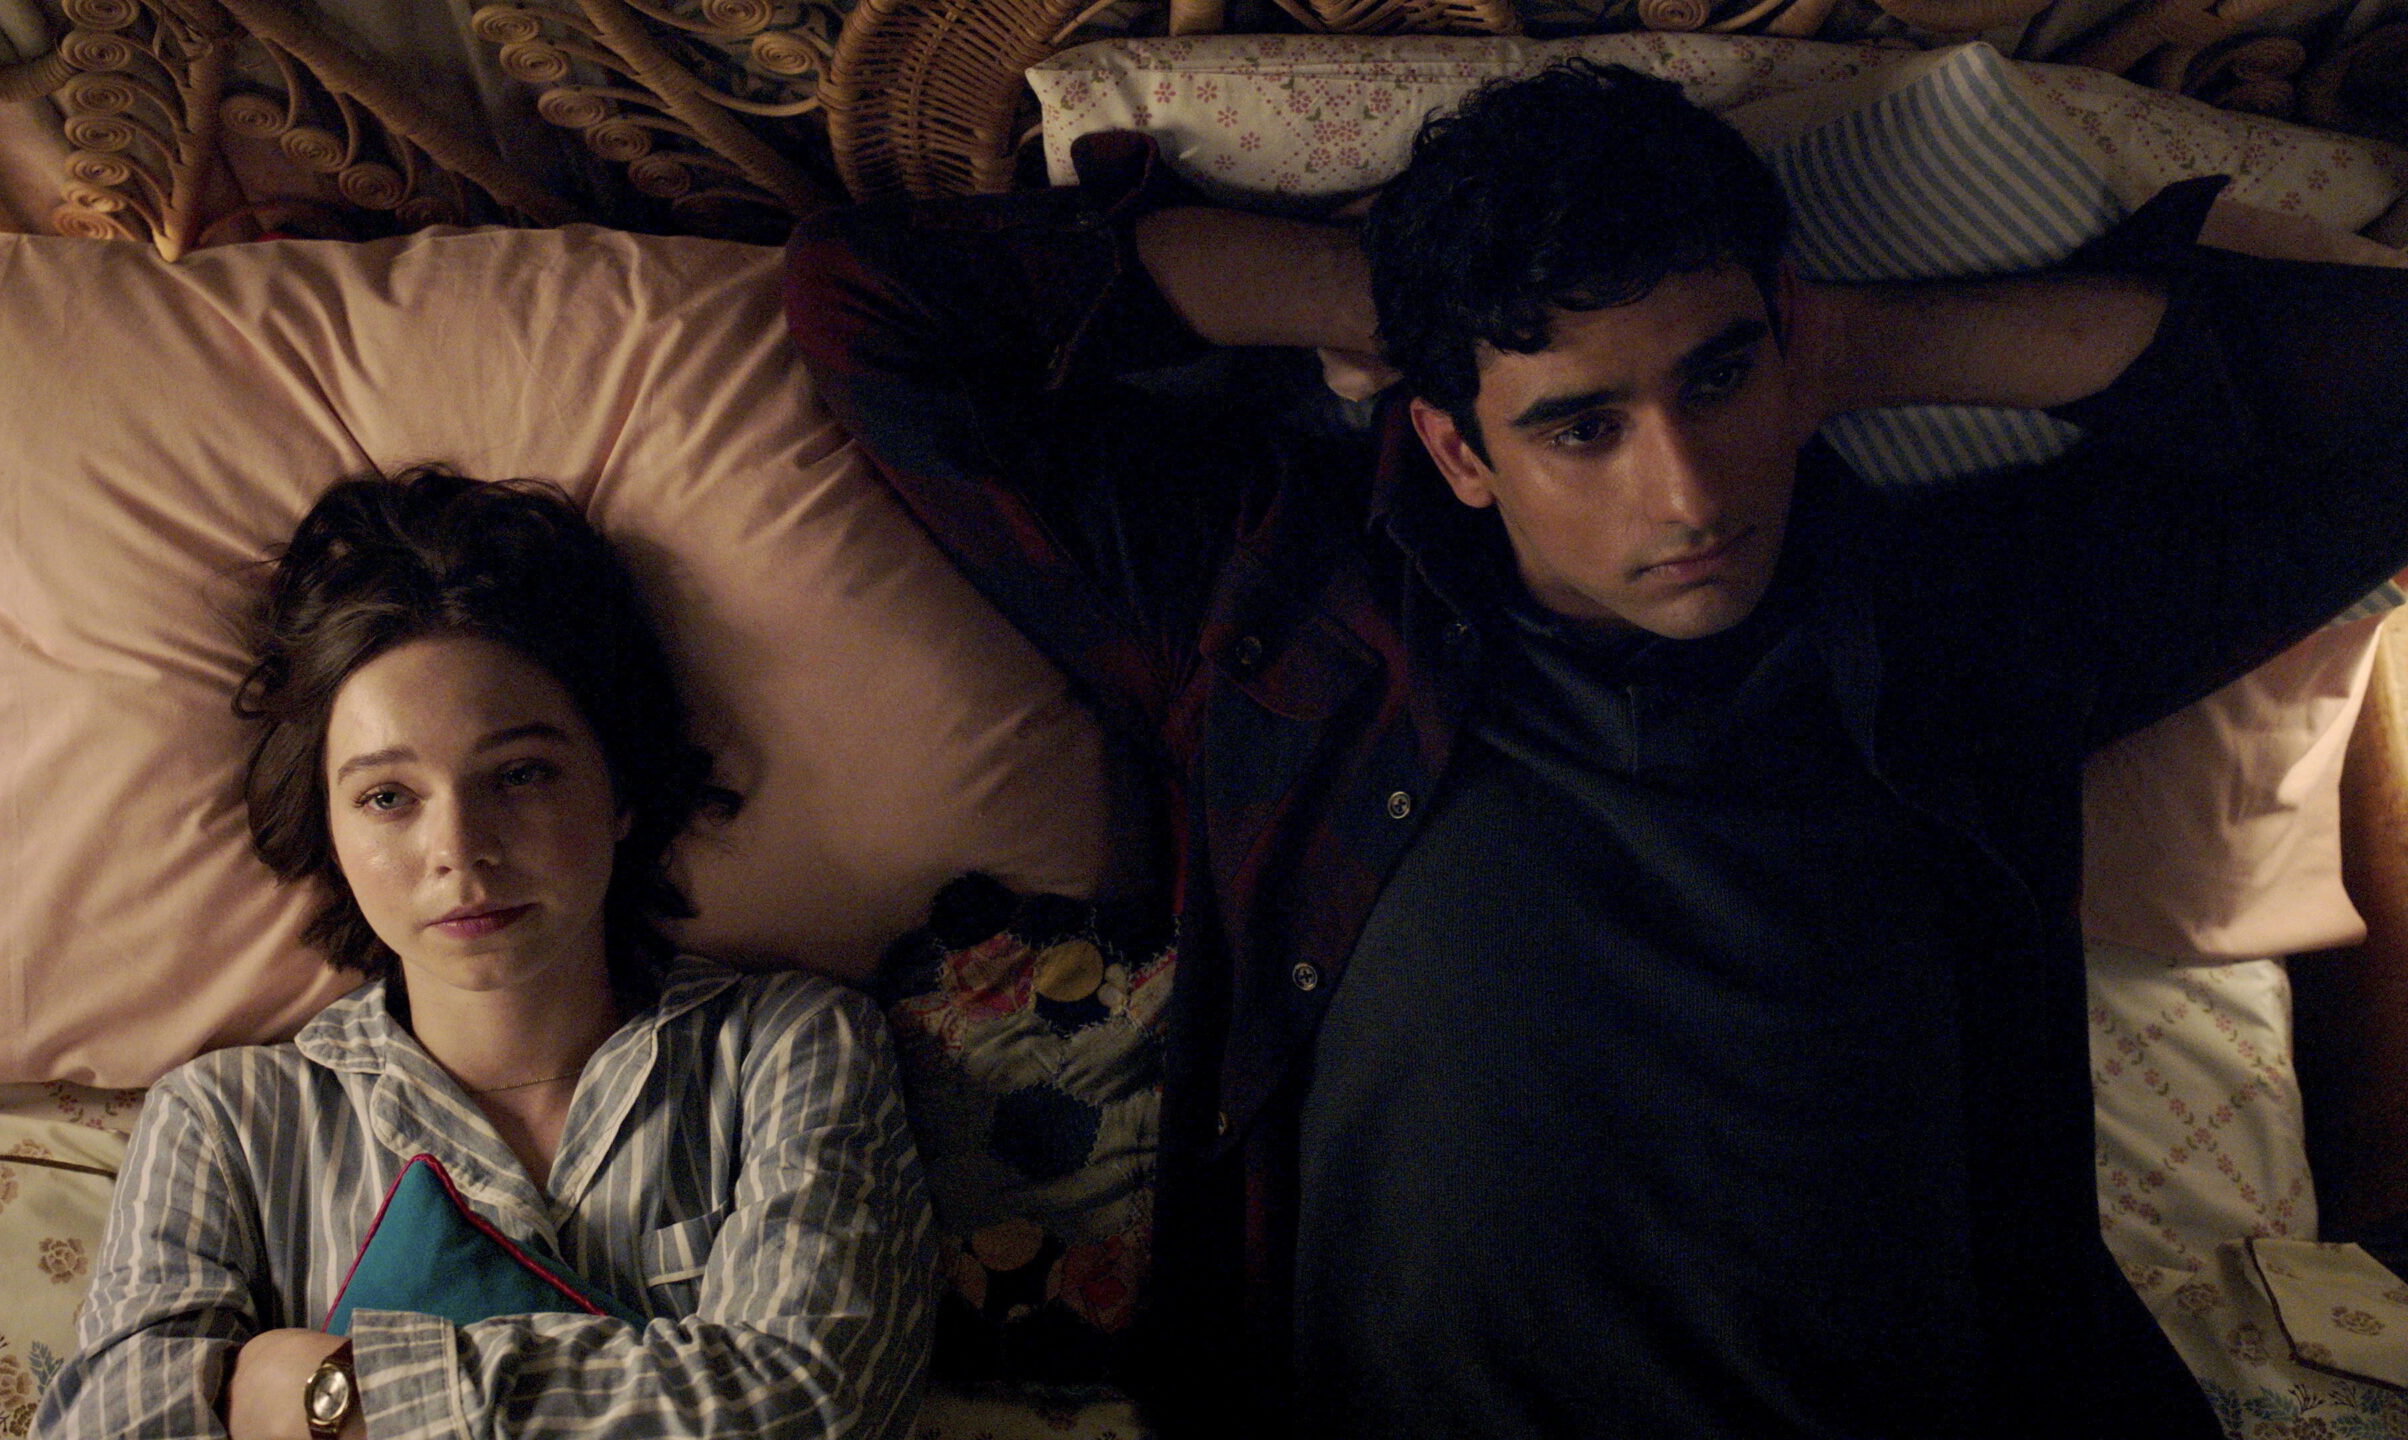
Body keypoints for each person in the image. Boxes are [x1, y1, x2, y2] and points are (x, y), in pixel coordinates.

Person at [783, 59, 2408, 1439]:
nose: (1688, 493)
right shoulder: (1283, 613)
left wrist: (1871, 350)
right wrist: (1394, 304)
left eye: (1718, 376)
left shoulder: (1965, 623)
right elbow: (873, 303)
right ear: (1454, 447)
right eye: (1582, 423)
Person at [34, 469, 936, 1440]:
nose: (458, 849)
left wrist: (345, 1398)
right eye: (387, 797)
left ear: (620, 788)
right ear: (329, 829)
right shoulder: (227, 1125)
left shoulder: (790, 1050)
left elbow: (811, 1401)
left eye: (520, 775)